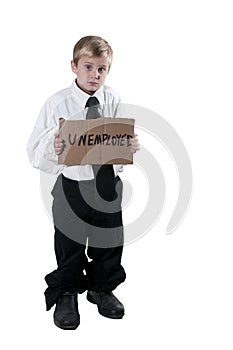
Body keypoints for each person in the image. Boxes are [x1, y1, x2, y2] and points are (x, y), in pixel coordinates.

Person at [27, 35, 139, 330]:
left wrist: (127, 148)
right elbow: (35, 150)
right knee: (70, 241)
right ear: (74, 66)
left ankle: (102, 287)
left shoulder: (112, 98)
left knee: (110, 239)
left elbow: (117, 139)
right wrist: (55, 148)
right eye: (88, 67)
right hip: (72, 184)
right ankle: (67, 291)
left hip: (106, 183)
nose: (95, 75)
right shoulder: (57, 103)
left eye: (101, 69)